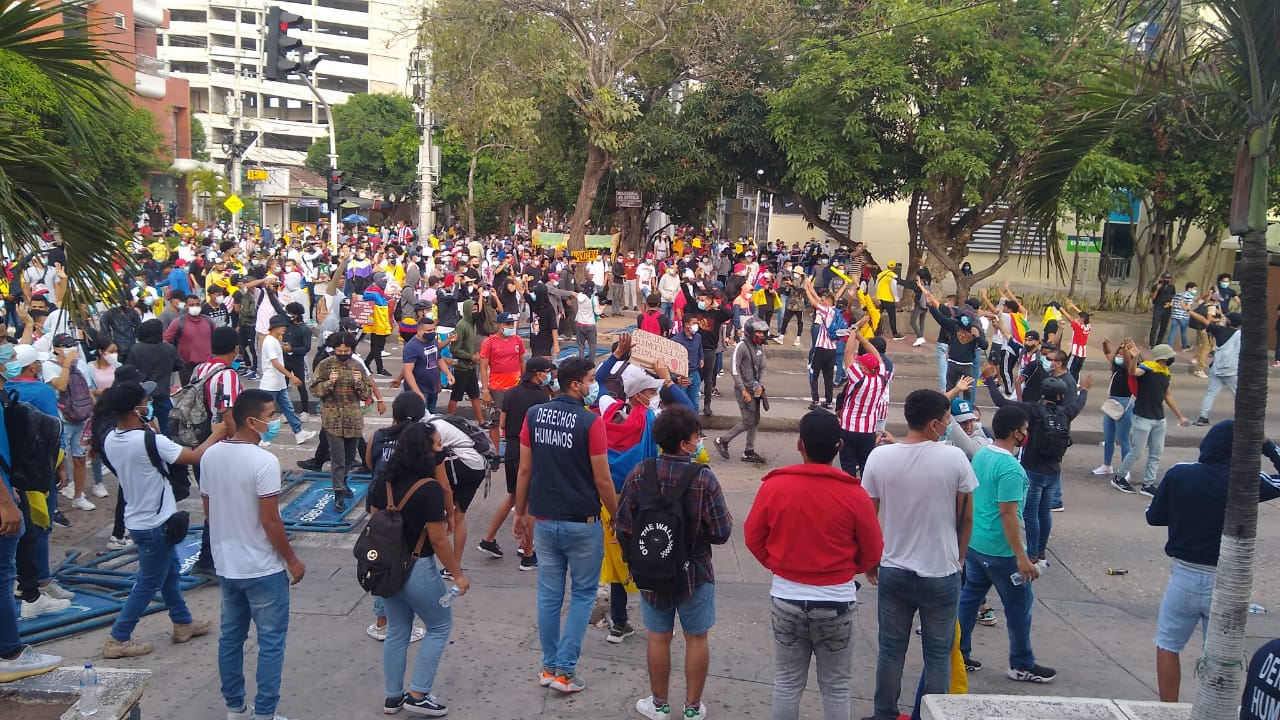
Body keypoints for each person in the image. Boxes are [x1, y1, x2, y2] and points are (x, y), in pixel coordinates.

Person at [743, 409, 883, 720]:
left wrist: (778, 564)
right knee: (836, 687)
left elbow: (753, 537)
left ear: (799, 444)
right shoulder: (854, 495)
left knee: (787, 682)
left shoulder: (775, 487)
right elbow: (873, 551)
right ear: (840, 446)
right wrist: (846, 569)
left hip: (786, 596)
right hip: (837, 600)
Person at [861, 389, 977, 720]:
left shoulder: (880, 458)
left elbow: (869, 516)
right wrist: (959, 558)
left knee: (891, 651)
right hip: (941, 571)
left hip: (894, 569)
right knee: (939, 655)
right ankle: (932, 715)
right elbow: (966, 516)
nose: (948, 425)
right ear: (933, 424)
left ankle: (884, 714)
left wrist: (871, 559)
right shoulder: (953, 458)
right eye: (946, 419)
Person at [1146, 420, 1280, 702]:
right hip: (1227, 579)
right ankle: (1212, 706)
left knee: (1168, 645)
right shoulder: (1245, 480)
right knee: (1220, 652)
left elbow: (1153, 516)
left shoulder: (1180, 474)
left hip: (1183, 575)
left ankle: (1168, 709)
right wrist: (1267, 446)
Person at [616, 406, 733, 720]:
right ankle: (693, 709)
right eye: (697, 438)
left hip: (652, 571)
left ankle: (659, 705)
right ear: (684, 443)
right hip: (695, 572)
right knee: (696, 637)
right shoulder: (704, 478)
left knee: (658, 637)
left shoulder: (641, 472)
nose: (699, 442)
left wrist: (636, 560)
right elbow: (722, 532)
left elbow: (623, 525)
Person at [98, 380, 225, 658]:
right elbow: (193, 456)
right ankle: (118, 638)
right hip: (154, 524)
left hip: (143, 519)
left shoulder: (111, 437)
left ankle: (182, 623)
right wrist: (217, 433)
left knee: (169, 575)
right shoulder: (150, 441)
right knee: (148, 582)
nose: (149, 404)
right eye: (146, 400)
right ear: (136, 409)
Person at [199, 389, 306, 720]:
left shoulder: (210, 456)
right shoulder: (263, 461)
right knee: (271, 643)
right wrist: (291, 559)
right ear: (251, 421)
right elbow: (271, 520)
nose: (274, 422)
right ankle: (265, 712)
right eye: (271, 416)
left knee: (231, 638)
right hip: (262, 568)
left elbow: (208, 511)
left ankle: (235, 707)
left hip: (228, 566)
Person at [512, 356, 617, 694]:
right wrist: (617, 514)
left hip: (544, 520)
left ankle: (548, 666)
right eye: (590, 379)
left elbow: (524, 470)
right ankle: (566, 672)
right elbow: (603, 479)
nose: (592, 385)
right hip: (582, 522)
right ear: (575, 384)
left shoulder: (534, 415)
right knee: (583, 594)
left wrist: (519, 511)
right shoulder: (591, 422)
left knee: (549, 596)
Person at [370, 421, 469, 716]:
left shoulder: (382, 483)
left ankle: (393, 696)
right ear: (423, 452)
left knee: (398, 630)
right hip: (418, 567)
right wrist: (459, 574)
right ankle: (418, 693)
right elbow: (438, 539)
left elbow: (375, 525)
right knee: (439, 626)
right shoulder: (429, 489)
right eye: (437, 445)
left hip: (387, 568)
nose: (441, 450)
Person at [956, 404, 1056, 683]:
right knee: (1019, 605)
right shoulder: (1012, 469)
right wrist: (1022, 557)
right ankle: (1021, 663)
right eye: (1025, 430)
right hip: (1001, 551)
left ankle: (959, 653)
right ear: (1016, 433)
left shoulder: (983, 454)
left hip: (977, 544)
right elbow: (1009, 514)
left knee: (969, 599)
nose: (1027, 434)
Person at [982, 370, 1091, 564]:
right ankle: (1040, 551)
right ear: (1059, 396)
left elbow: (1001, 402)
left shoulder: (1032, 410)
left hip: (1033, 470)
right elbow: (1079, 404)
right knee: (1044, 512)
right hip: (1054, 471)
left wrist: (989, 379)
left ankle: (1031, 554)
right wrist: (1084, 390)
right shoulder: (1065, 412)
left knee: (1030, 514)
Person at [476, 358, 553, 570]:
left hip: (510, 448)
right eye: (546, 372)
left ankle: (488, 539)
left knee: (513, 496)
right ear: (537, 374)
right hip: (528, 450)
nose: (548, 376)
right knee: (528, 501)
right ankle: (528, 554)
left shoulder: (511, 392)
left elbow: (501, 422)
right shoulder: (541, 397)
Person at [310, 331, 378, 513]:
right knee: (337, 457)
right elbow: (315, 390)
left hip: (353, 418)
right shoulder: (325, 366)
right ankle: (338, 492)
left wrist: (359, 384)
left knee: (349, 457)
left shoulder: (357, 366)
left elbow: (366, 394)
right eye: (339, 351)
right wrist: (328, 384)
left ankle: (344, 481)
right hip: (332, 418)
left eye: (346, 350)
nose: (342, 353)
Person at [1112, 342, 1190, 497]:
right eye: (1171, 356)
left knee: (1156, 452)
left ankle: (1148, 484)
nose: (1173, 359)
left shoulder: (1165, 373)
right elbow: (1133, 372)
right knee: (1137, 452)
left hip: (1159, 419)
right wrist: (1133, 358)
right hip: (1143, 417)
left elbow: (1167, 395)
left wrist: (1180, 416)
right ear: (1164, 357)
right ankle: (1119, 477)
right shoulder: (1147, 368)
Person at [837, 318, 889, 476]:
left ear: (866, 368)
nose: (858, 365)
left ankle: (849, 494)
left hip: (849, 428)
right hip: (868, 430)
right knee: (866, 466)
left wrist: (854, 331)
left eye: (861, 364)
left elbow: (848, 353)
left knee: (848, 465)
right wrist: (860, 337)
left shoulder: (857, 377)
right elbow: (876, 355)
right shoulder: (881, 378)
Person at [713, 318, 769, 464]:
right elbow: (734, 369)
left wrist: (761, 385)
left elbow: (763, 367)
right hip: (743, 390)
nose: (761, 335)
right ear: (751, 332)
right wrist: (743, 389)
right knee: (748, 420)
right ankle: (723, 441)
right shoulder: (741, 346)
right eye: (759, 332)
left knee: (755, 421)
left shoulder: (759, 347)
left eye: (763, 333)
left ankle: (748, 451)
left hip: (755, 390)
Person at [257, 315, 316, 446]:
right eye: (281, 326)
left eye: (285, 326)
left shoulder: (274, 341)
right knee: (264, 411)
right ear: (273, 327)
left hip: (279, 384)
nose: (284, 328)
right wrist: (291, 376)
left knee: (288, 409)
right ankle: (258, 437)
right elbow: (275, 363)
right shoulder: (270, 341)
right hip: (270, 384)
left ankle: (299, 433)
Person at [478, 312, 525, 457]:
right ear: (500, 325)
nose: (510, 326)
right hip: (497, 388)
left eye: (512, 324)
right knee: (495, 421)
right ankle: (496, 453)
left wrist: (525, 381)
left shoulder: (517, 340)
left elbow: (522, 361)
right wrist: (485, 390)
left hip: (516, 386)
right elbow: (483, 367)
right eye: (507, 324)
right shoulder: (489, 342)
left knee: (518, 419)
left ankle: (517, 451)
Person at [1092, 338, 1135, 481]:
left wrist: (1127, 351)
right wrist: (1105, 344)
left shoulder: (1131, 369)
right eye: (1119, 354)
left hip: (1125, 403)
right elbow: (1108, 353)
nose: (1119, 357)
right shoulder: (1116, 367)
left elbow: (1129, 363)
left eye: (1123, 354)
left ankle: (1125, 469)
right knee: (1109, 437)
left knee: (1124, 439)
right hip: (1112, 402)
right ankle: (1107, 465)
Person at [1189, 310, 1240, 426]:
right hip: (1232, 370)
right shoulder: (1241, 335)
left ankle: (1203, 417)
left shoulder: (1219, 330)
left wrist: (1189, 310)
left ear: (1229, 321)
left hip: (1217, 368)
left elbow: (1204, 320)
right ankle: (1242, 418)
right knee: (1239, 394)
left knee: (1210, 394)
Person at [163, 293, 214, 385]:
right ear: (186, 306)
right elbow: (165, 340)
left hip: (207, 365)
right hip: (186, 367)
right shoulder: (178, 323)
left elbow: (216, 338)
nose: (195, 307)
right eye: (191, 305)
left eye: (197, 304)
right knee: (188, 394)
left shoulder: (209, 321)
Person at [402, 313, 443, 414]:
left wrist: (439, 382)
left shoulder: (433, 341)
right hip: (420, 389)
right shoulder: (411, 346)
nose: (432, 332)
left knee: (431, 419)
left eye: (433, 329)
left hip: (432, 388)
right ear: (419, 331)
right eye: (429, 330)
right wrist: (417, 392)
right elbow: (408, 371)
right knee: (419, 420)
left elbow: (437, 360)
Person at [280, 303, 312, 415]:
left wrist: (292, 349)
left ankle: (305, 410)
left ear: (296, 314)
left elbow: (306, 348)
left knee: (301, 386)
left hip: (297, 361)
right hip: (285, 360)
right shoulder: (287, 324)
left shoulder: (304, 329)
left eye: (290, 313)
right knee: (283, 386)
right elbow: (277, 307)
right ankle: (285, 411)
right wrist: (270, 292)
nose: (288, 315)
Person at [1149, 272, 1175, 348]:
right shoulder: (1156, 286)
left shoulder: (1171, 287)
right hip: (1158, 308)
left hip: (1167, 309)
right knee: (1155, 326)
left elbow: (1173, 296)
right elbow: (1153, 297)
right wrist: (1157, 289)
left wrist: (1170, 303)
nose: (1167, 280)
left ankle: (1159, 343)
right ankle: (1151, 344)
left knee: (1163, 327)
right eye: (1165, 278)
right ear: (1162, 279)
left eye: (1168, 278)